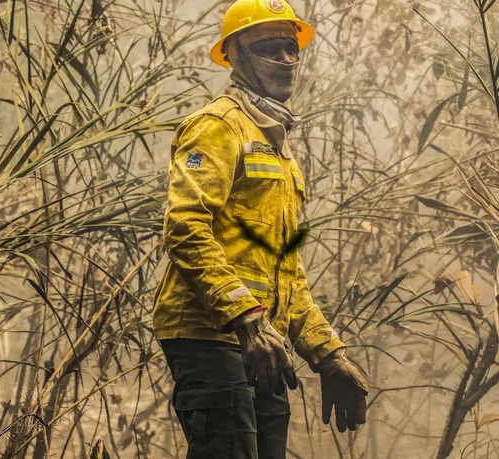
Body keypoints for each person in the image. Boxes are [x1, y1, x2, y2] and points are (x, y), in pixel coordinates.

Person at [152, 0, 370, 457]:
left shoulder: (278, 148)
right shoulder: (216, 127)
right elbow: (185, 226)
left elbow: (286, 271)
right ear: (235, 54)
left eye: (293, 49)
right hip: (211, 334)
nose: (288, 60)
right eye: (272, 48)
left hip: (262, 342)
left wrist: (328, 354)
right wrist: (246, 318)